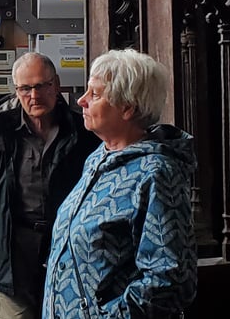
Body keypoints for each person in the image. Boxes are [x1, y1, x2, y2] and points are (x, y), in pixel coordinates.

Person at [43, 49, 197, 318]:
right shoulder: (97, 159)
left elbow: (170, 281)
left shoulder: (156, 172)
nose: (81, 101)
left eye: (95, 94)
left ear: (128, 107)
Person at [0, 52, 100, 319]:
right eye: (25, 88)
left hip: (64, 251)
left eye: (41, 86)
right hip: (10, 250)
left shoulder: (80, 130)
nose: (34, 96)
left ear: (56, 84)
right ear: (16, 90)